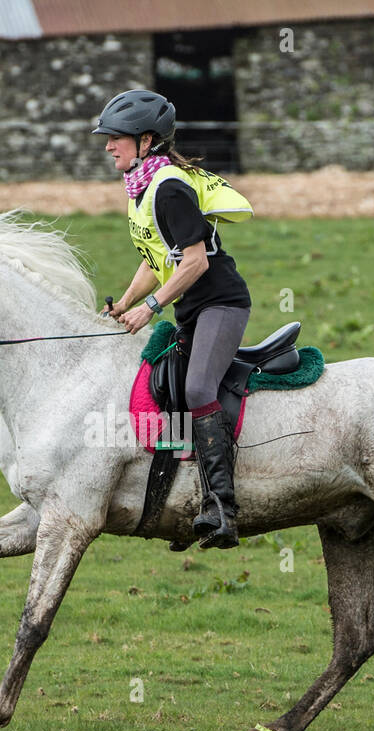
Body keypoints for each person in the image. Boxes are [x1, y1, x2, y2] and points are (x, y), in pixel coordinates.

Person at [93, 89, 254, 550]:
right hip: (191, 308)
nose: (108, 146)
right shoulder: (140, 189)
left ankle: (222, 507)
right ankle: (180, 502)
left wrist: (152, 308)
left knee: (199, 388)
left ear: (146, 140)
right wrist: (124, 304)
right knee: (163, 384)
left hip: (221, 303)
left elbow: (195, 262)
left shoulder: (170, 188)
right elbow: (156, 259)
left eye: (115, 138)